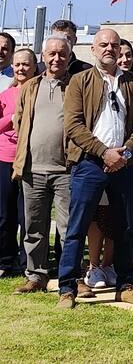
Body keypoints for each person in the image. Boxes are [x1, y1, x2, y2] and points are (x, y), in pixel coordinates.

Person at [57, 28, 133, 308]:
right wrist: (103, 152)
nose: (109, 49)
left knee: (125, 227)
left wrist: (127, 150)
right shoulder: (79, 81)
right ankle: (67, 287)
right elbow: (73, 124)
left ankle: (125, 285)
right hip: (89, 163)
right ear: (94, 49)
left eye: (114, 45)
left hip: (124, 163)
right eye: (104, 45)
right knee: (77, 227)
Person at [11, 37, 72, 292]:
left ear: (69, 57)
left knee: (68, 228)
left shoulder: (76, 85)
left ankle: (72, 278)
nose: (56, 58)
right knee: (34, 227)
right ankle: (36, 276)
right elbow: (20, 120)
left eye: (61, 54)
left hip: (66, 170)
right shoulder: (31, 86)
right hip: (32, 168)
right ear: (43, 57)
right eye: (51, 54)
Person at [0, 48, 35, 276]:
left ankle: (27, 263)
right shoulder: (5, 95)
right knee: (4, 214)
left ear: (34, 67)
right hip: (4, 157)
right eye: (18, 64)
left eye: (26, 64)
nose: (21, 68)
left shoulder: (39, 92)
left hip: (31, 160)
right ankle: (5, 260)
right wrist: (10, 121)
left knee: (28, 215)